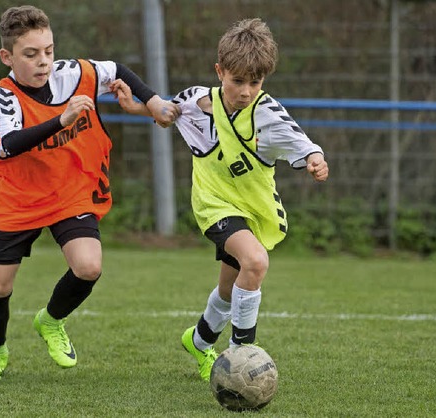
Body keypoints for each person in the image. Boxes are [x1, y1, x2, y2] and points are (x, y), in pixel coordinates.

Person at [115, 18, 329, 381]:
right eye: (238, 81)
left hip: (253, 209)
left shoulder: (267, 114)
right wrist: (138, 108)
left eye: (255, 82)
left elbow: (301, 141)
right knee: (256, 262)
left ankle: (198, 341)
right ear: (220, 72)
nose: (246, 91)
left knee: (231, 289)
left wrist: (315, 159)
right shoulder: (196, 100)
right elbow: (169, 114)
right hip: (213, 203)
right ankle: (241, 357)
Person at [0, 5, 179, 381]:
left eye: (49, 51)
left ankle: (50, 321)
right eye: (31, 54)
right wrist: (62, 119)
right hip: (20, 198)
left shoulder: (73, 73)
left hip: (71, 191)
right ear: (7, 56)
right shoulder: (3, 96)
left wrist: (153, 103)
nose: (43, 62)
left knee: (89, 266)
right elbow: (12, 141)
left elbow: (116, 71)